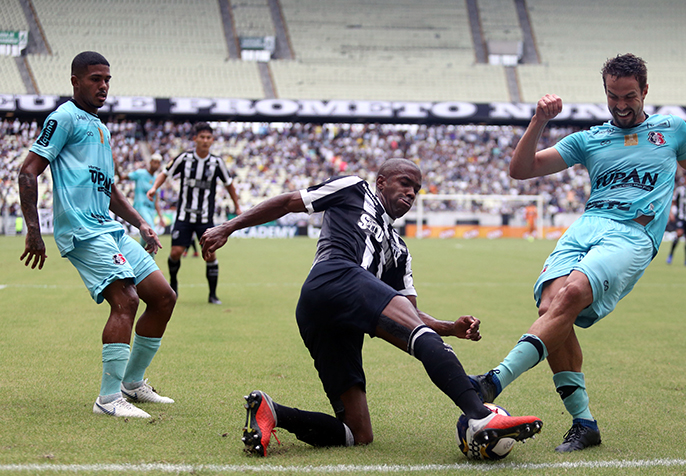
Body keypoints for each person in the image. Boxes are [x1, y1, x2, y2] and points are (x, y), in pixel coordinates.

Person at [469, 53, 686, 453]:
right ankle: (584, 424)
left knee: (571, 294)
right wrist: (539, 121)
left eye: (629, 96)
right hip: (586, 228)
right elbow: (521, 169)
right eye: (612, 96)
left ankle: (491, 381)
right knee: (551, 310)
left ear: (645, 91)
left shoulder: (672, 131)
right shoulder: (589, 139)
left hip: (632, 235)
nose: (621, 105)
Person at [200, 158, 543, 456]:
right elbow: (290, 202)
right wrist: (229, 226)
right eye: (405, 184)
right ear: (381, 182)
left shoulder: (399, 250)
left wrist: (449, 327)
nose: (411, 194)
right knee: (426, 341)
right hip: (333, 277)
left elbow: (410, 315)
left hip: (338, 319)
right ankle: (480, 414)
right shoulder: (353, 189)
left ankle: (273, 412)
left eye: (417, 190)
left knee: (358, 434)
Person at [18, 51, 176, 418]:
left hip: (109, 228)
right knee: (126, 299)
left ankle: (131, 384)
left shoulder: (101, 128)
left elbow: (109, 190)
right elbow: (28, 171)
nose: (103, 86)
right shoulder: (64, 118)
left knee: (163, 297)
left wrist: (141, 223)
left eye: (107, 79)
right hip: (82, 229)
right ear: (75, 80)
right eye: (95, 79)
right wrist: (33, 231)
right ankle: (107, 400)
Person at [147, 122, 241, 304]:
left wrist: (237, 206)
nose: (205, 141)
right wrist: (154, 188)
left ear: (212, 140)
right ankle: (173, 285)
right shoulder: (184, 159)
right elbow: (165, 173)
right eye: (202, 137)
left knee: (210, 255)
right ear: (195, 139)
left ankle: (212, 295)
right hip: (184, 216)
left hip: (205, 218)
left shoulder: (217, 163)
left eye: (208, 138)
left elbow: (229, 184)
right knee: (175, 252)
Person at [116, 153, 165, 252]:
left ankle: (136, 259)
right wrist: (116, 166)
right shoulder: (140, 173)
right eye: (154, 162)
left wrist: (160, 217)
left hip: (151, 211)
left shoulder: (157, 180)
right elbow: (122, 178)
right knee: (152, 232)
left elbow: (156, 201)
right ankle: (151, 264)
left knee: (144, 240)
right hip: (140, 208)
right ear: (150, 162)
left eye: (158, 163)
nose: (156, 165)